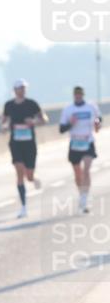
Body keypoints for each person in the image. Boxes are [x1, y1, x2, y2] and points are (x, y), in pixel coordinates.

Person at [0, 79, 47, 218]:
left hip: (29, 143)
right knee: (19, 170)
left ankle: (34, 179)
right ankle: (24, 206)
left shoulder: (32, 104)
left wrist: (34, 121)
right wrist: (4, 126)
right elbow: (3, 121)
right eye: (20, 88)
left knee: (29, 175)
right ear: (14, 90)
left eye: (24, 88)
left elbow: (44, 119)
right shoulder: (8, 105)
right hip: (15, 143)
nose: (22, 90)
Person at [59, 86, 102, 214]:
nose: (78, 96)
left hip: (88, 141)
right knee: (78, 174)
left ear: (83, 95)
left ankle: (85, 198)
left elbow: (99, 119)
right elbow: (61, 129)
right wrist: (71, 123)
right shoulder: (68, 109)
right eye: (76, 94)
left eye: (80, 94)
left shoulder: (91, 107)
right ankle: (81, 193)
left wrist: (97, 122)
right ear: (74, 95)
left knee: (87, 170)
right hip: (75, 143)